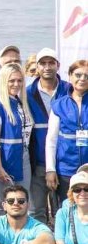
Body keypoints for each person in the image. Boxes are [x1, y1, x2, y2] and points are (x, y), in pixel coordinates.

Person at [26, 48, 71, 224]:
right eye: (42, 63)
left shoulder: (69, 89)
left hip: (64, 162)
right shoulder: (27, 93)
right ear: (36, 67)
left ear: (58, 65)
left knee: (64, 209)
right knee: (36, 210)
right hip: (37, 161)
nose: (47, 67)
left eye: (51, 63)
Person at [0, 64, 33, 217]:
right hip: (4, 161)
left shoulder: (20, 102)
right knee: (0, 206)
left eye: (20, 81)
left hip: (23, 158)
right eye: (11, 81)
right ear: (3, 81)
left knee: (22, 202)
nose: (16, 84)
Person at [45, 59, 88, 213]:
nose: (82, 79)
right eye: (78, 74)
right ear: (70, 76)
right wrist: (50, 170)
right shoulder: (58, 105)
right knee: (67, 209)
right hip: (65, 169)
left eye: (86, 76)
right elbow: (51, 139)